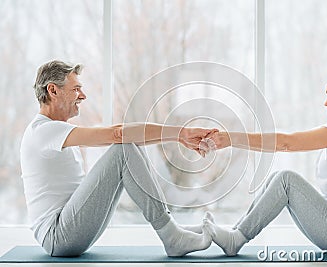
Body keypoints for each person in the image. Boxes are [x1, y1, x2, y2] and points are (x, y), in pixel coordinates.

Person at [20, 60, 216, 257]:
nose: (83, 95)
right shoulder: (43, 131)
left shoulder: (55, 132)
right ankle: (171, 235)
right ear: (53, 91)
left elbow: (124, 137)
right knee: (122, 149)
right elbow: (117, 134)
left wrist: (180, 136)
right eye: (76, 89)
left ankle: (172, 229)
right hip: (58, 236)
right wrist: (180, 133)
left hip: (68, 229)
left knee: (129, 145)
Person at [201, 72, 327, 256]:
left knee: (286, 180)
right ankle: (235, 234)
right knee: (277, 178)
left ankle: (236, 238)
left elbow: (287, 142)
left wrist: (230, 138)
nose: (326, 103)